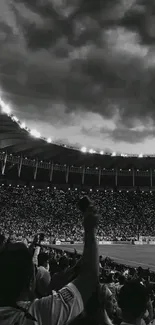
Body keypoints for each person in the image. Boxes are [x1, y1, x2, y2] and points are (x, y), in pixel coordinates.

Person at [0, 199, 99, 325]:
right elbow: (90, 277)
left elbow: (89, 275)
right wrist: (90, 229)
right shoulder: (38, 313)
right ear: (31, 283)